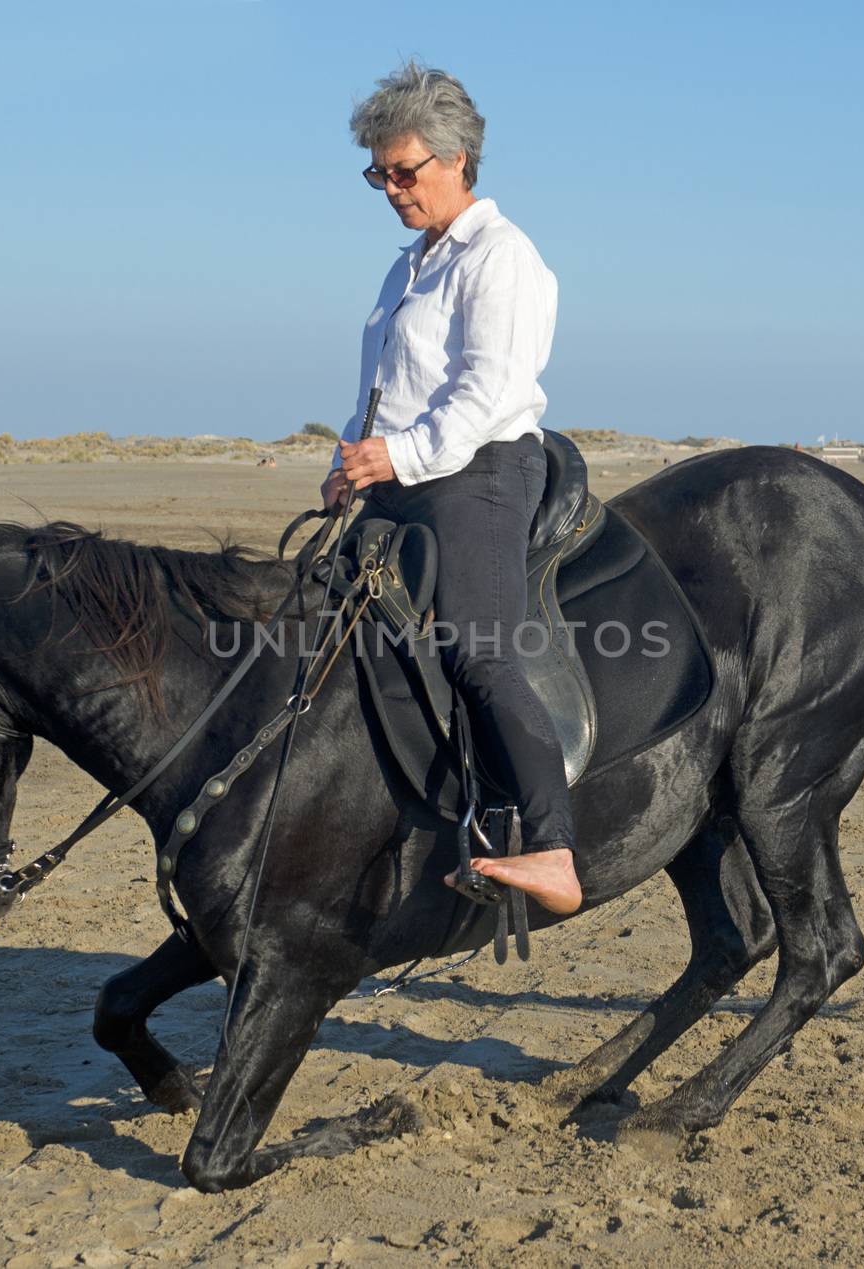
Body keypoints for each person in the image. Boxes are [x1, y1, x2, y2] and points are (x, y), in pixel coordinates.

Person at [319, 62, 581, 915]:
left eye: (405, 171)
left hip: (483, 472)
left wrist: (396, 457)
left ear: (459, 158)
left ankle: (552, 846)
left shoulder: (501, 258)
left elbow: (489, 390)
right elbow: (387, 383)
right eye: (378, 175)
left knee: (478, 649)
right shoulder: (406, 267)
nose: (391, 189)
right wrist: (350, 459)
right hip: (399, 470)